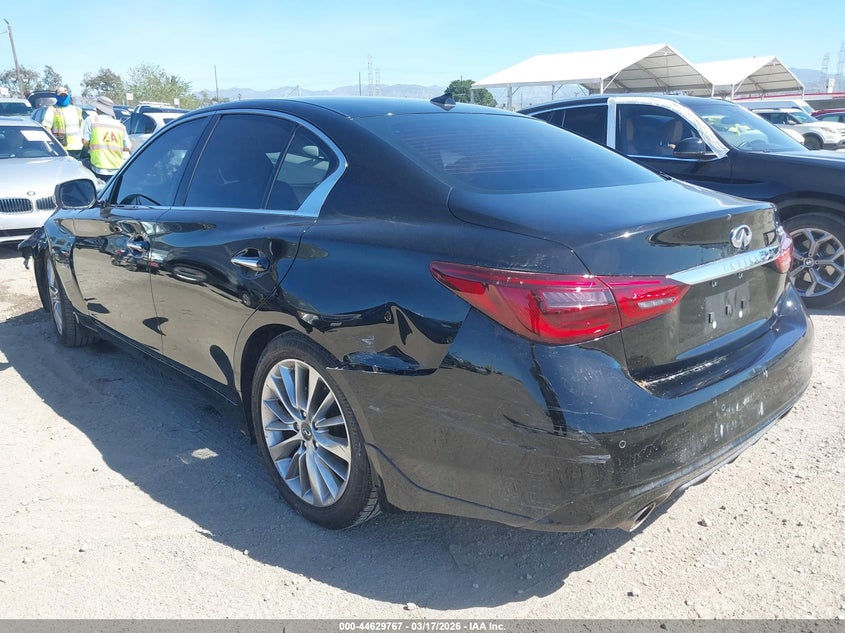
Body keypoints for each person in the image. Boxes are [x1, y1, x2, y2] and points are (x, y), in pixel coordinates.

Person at [80, 95, 131, 181]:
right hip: (117, 168)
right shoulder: (120, 125)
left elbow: (85, 141)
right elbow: (128, 147)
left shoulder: (91, 120)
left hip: (98, 168)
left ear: (98, 109)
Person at [40, 86, 84, 158]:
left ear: (68, 95)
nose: (63, 97)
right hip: (61, 147)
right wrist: (51, 144)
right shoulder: (52, 109)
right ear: (57, 97)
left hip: (77, 147)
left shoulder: (77, 110)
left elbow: (82, 127)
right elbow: (47, 128)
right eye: (61, 95)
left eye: (64, 95)